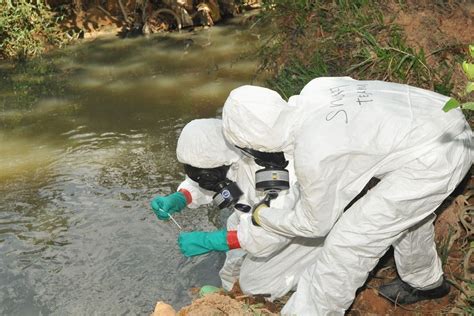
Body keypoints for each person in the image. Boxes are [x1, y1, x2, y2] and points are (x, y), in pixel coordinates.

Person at [221, 77, 473, 315]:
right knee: (403, 217)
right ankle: (425, 283)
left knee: (348, 242)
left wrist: (262, 215)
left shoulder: (313, 153)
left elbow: (314, 226)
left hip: (435, 156)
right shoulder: (316, 89)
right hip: (439, 114)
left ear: (255, 145)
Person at [150, 118, 323, 299]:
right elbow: (209, 183)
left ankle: (286, 292)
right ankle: (232, 293)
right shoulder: (228, 159)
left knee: (255, 284)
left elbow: (270, 235)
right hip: (255, 219)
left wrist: (209, 240)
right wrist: (181, 197)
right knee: (234, 240)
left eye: (207, 175)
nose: (205, 181)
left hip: (298, 234)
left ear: (224, 161)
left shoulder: (273, 174)